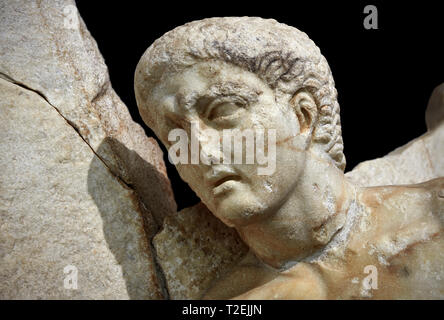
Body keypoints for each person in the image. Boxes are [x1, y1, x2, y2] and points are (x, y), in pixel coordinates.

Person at [135, 17, 444, 299]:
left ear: (303, 115)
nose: (201, 152)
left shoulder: (436, 216)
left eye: (223, 112)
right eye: (176, 136)